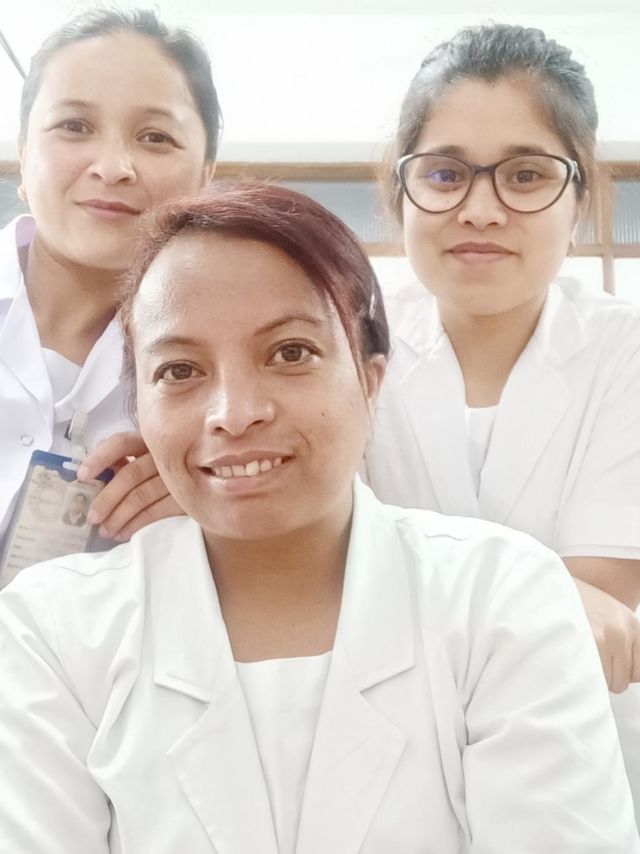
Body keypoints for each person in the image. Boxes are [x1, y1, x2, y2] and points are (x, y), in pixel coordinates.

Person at [0, 183, 637, 852]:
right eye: (181, 369)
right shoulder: (50, 631)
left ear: (371, 379)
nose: (234, 414)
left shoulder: (505, 598)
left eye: (290, 353)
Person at [362, 22, 640, 809]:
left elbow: (600, 605)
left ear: (581, 198)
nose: (480, 210)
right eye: (445, 173)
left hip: (579, 765)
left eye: (525, 175)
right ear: (400, 191)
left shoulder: (627, 353)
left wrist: (397, 591)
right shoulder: (343, 345)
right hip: (381, 763)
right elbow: (313, 579)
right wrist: (547, 596)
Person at [0, 8, 220, 553]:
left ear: (205, 177)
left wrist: (223, 504)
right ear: (23, 154)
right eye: (74, 126)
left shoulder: (234, 373)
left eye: (155, 137)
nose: (113, 166)